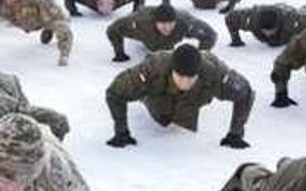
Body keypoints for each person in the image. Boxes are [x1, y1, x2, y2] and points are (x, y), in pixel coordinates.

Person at [105, 44, 252, 149]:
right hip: (157, 96)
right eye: (180, 76)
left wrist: (236, 133)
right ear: (172, 71)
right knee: (161, 116)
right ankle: (145, 97)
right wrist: (121, 131)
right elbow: (114, 92)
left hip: (192, 101)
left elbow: (245, 93)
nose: (185, 82)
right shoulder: (153, 68)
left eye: (190, 77)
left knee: (183, 120)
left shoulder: (214, 73)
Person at [106, 3, 216, 62]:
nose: (167, 27)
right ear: (155, 22)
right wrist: (119, 53)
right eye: (163, 24)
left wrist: (199, 57)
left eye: (171, 23)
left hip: (168, 42)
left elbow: (210, 34)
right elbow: (112, 30)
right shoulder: (139, 21)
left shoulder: (185, 23)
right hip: (144, 34)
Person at [225, 3, 306, 47]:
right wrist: (236, 40)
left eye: (271, 31)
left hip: (288, 13)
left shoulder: (291, 22)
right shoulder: (251, 21)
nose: (268, 34)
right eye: (265, 31)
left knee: (303, 15)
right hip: (269, 9)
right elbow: (230, 17)